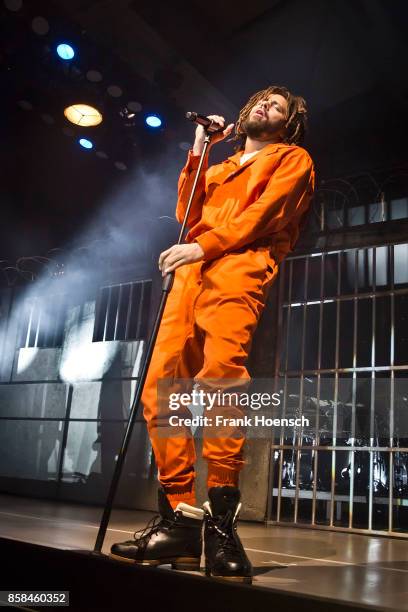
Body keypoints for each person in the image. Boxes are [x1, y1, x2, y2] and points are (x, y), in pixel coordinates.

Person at [110, 85, 315, 584]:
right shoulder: (219, 167)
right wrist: (200, 147)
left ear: (288, 124)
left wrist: (204, 248)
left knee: (220, 381)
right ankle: (180, 520)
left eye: (278, 107)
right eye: (259, 102)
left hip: (237, 270)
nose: (265, 107)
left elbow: (263, 216)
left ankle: (221, 524)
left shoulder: (293, 159)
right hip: (189, 276)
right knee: (163, 393)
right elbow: (187, 214)